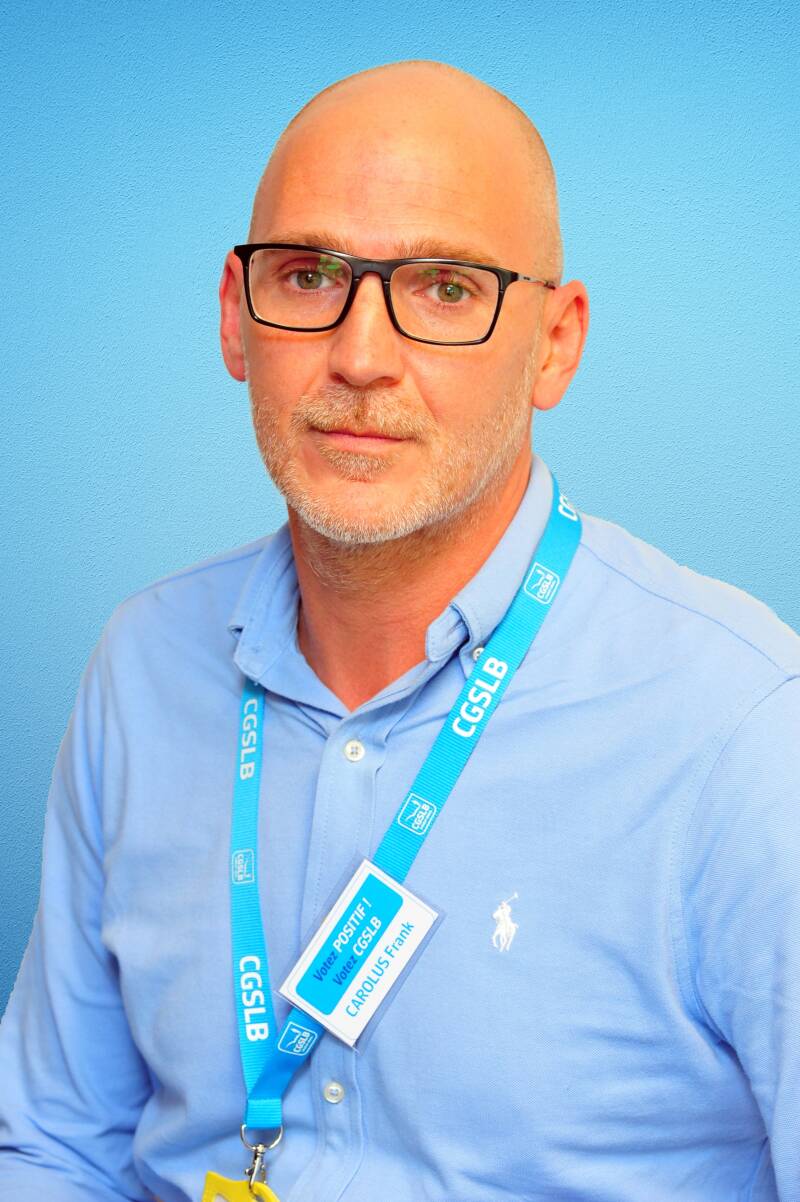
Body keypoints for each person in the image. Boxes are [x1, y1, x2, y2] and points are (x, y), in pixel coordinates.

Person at [1, 58, 798, 1202]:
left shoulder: (742, 731)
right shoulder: (142, 664)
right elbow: (55, 1147)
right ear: (235, 317)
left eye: (443, 288)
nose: (360, 355)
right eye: (308, 274)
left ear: (554, 342)